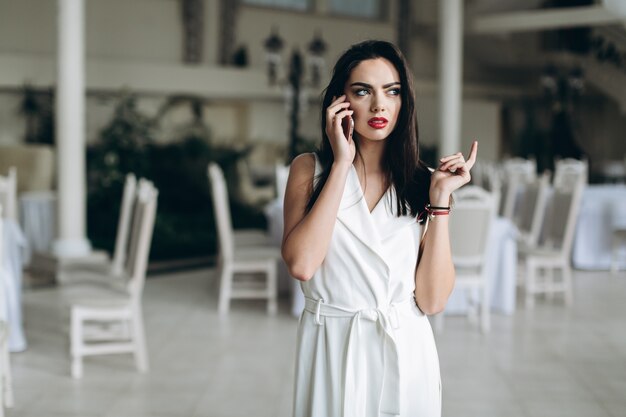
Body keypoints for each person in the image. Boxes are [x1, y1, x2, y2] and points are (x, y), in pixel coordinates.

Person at [281, 40, 478, 417]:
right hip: (332, 346)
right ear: (340, 102)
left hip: (405, 350)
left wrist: (439, 200)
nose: (379, 105)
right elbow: (302, 265)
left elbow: (433, 301)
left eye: (392, 91)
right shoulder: (310, 169)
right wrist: (341, 164)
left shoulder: (423, 181)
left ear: (405, 102)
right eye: (362, 91)